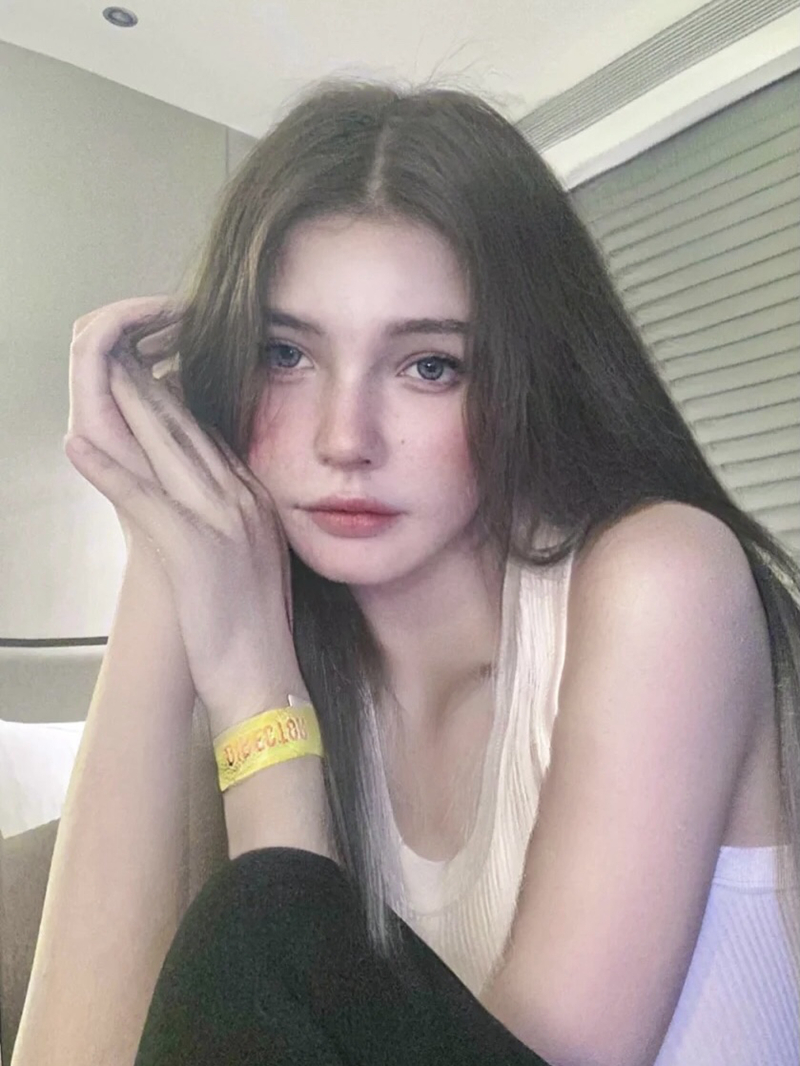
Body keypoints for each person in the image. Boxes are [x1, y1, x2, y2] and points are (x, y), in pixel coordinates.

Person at [13, 81, 800, 1066]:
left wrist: (258, 696)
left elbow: (299, 986)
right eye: (285, 354)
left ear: (525, 377)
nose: (344, 439)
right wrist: (161, 532)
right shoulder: (317, 653)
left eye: (429, 365)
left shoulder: (661, 582)